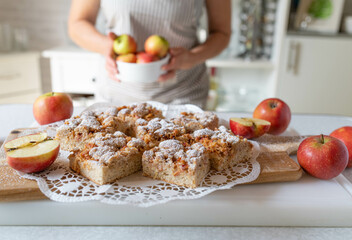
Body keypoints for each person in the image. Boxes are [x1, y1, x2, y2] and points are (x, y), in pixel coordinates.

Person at [68, 0, 231, 108]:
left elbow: (222, 33)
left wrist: (193, 57)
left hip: (182, 96)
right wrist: (105, 46)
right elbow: (77, 23)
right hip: (115, 96)